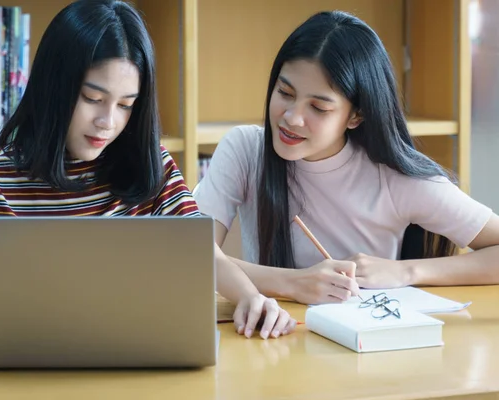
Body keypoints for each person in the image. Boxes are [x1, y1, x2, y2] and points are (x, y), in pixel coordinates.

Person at [0, 0, 296, 339]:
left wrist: (250, 297)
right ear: (54, 88)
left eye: (126, 105)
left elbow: (202, 254)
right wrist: (35, 276)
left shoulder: (149, 165)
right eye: (93, 98)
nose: (109, 121)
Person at [194, 10, 499, 305]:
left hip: (368, 349)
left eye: (319, 108)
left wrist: (406, 271)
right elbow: (190, 254)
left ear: (356, 116)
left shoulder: (396, 178)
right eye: (285, 93)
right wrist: (293, 283)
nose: (292, 118)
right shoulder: (245, 150)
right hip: (274, 342)